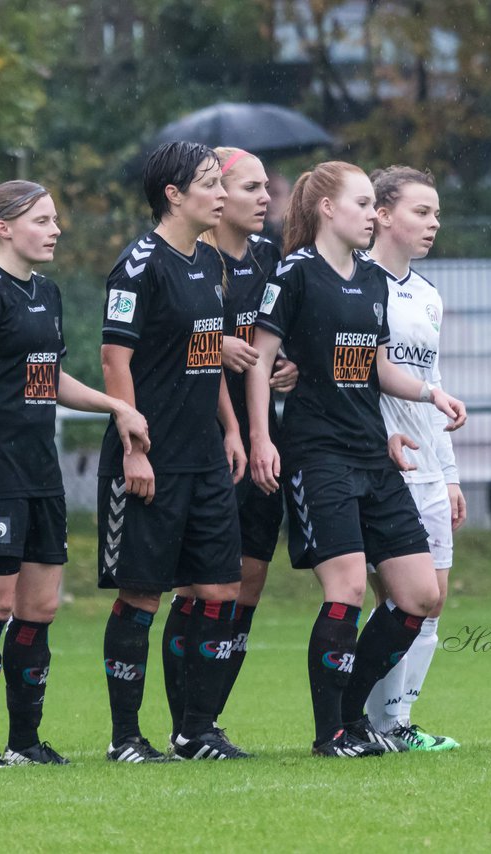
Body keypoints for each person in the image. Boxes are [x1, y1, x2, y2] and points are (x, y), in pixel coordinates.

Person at [245, 161, 467, 758]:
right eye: (365, 204)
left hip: (373, 453)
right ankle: (331, 735)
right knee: (344, 590)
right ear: (327, 209)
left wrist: (429, 392)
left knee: (420, 596)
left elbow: (372, 364)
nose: (373, 215)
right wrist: (264, 438)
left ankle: (352, 715)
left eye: (375, 204)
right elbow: (262, 360)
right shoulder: (294, 273)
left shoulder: (371, 283)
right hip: (318, 455)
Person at [0, 180, 150, 767]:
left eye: (55, 218)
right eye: (42, 220)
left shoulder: (47, 293)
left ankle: (26, 741)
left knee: (40, 608)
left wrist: (116, 404)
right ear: (4, 228)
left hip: (41, 474)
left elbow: (49, 381)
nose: (55, 229)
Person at [97, 141, 250, 762]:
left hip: (205, 457)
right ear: (175, 195)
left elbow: (205, 354)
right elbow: (114, 358)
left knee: (219, 594)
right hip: (152, 461)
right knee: (142, 596)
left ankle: (194, 731)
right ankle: (125, 738)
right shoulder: (138, 265)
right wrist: (136, 447)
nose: (221, 193)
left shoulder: (204, 263)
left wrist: (232, 429)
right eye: (211, 183)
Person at [160, 148, 298, 744]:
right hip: (205, 443)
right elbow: (158, 339)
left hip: (263, 443)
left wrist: (284, 364)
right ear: (216, 196)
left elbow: (281, 338)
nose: (265, 197)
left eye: (267, 186)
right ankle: (184, 726)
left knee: (248, 584)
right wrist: (217, 351)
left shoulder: (271, 259)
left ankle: (206, 721)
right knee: (197, 587)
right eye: (250, 187)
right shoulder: (192, 259)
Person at [361, 166, 463, 752]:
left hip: (427, 465)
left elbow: (433, 380)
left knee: (433, 600)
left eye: (437, 214)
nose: (433, 224)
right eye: (422, 212)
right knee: (395, 599)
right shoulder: (355, 282)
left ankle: (397, 722)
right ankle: (371, 722)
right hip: (380, 464)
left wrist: (448, 474)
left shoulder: (428, 296)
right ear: (382, 214)